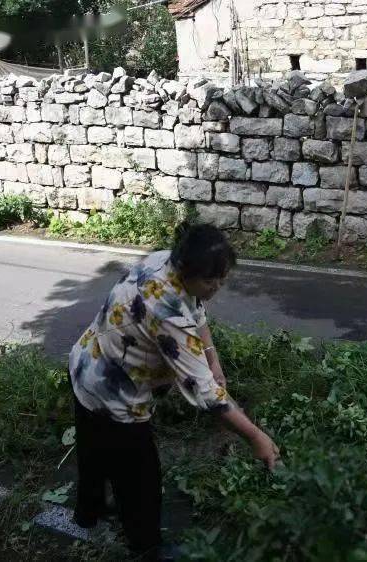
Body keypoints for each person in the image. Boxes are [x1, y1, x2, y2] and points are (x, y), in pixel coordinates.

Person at [68, 222, 280, 558]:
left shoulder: (164, 259)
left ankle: (87, 513)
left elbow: (197, 310)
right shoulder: (166, 312)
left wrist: (214, 361)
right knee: (140, 479)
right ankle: (146, 546)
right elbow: (208, 396)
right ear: (186, 270)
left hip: (86, 362)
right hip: (114, 393)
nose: (217, 287)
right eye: (210, 280)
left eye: (223, 278)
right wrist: (257, 437)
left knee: (93, 449)